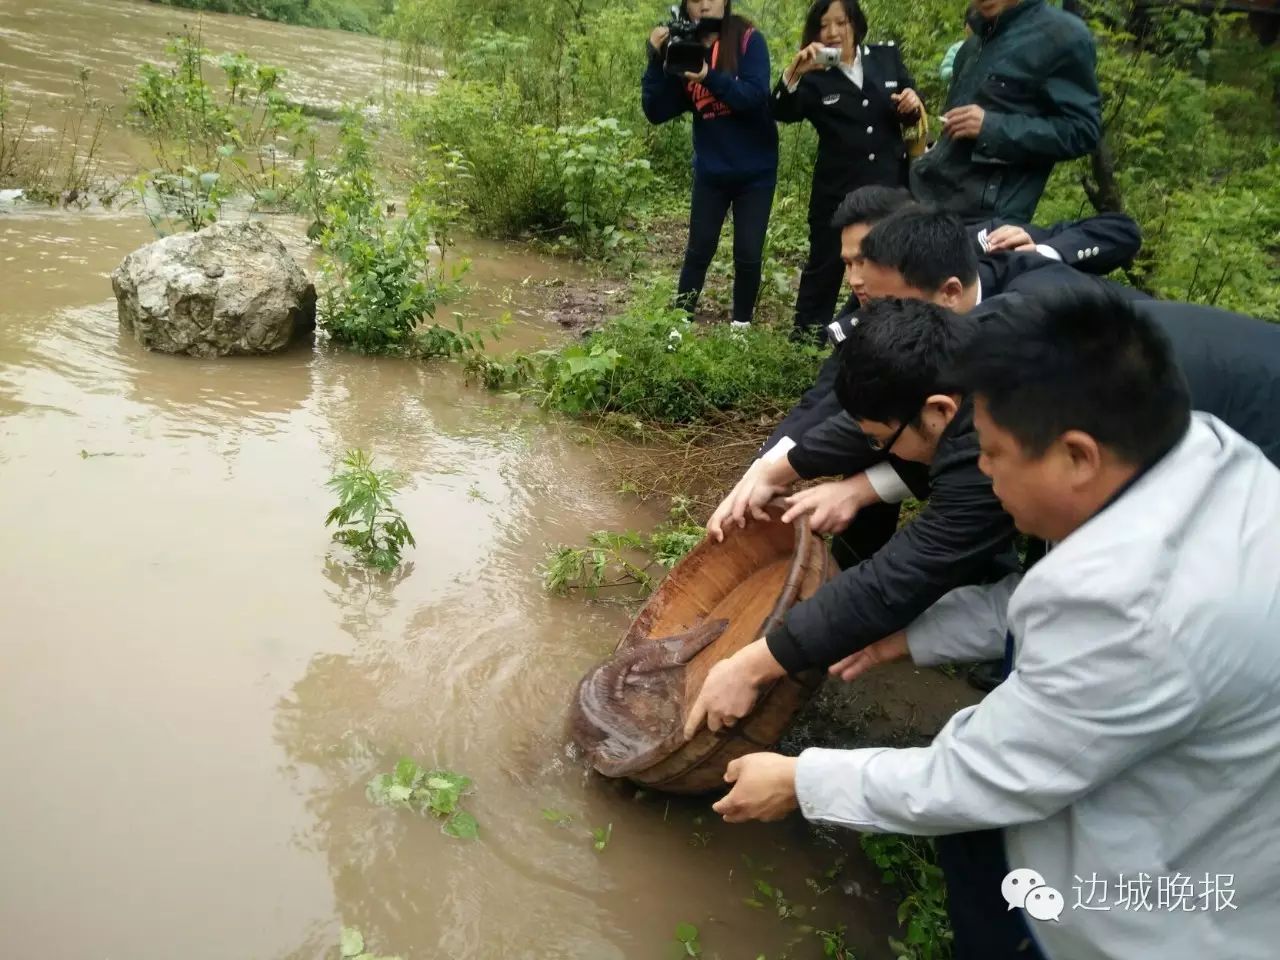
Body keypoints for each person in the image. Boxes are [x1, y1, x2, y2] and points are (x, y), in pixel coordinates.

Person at [703, 290, 1280, 960]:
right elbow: (1033, 601)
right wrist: (914, 637)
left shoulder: (1128, 612)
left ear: (1077, 456)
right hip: (1194, 765)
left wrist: (802, 780)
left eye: (996, 453)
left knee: (1012, 880)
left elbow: (980, 779)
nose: (978, 470)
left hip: (1159, 907)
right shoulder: (1202, 457)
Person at [769, 0, 922, 337]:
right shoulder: (814, 74)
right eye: (824, 25)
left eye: (841, 22)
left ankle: (888, 331)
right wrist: (793, 74)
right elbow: (781, 111)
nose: (833, 32)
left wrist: (912, 102)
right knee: (825, 265)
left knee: (891, 263)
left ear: (855, 24)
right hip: (837, 191)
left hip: (889, 189)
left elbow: (911, 106)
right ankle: (806, 341)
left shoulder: (885, 58)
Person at [642, 0, 778, 328]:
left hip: (755, 170)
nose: (704, 4)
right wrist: (655, 58)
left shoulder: (748, 39)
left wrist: (707, 76)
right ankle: (681, 324)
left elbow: (754, 96)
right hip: (711, 170)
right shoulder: (684, 48)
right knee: (699, 250)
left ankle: (741, 328)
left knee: (747, 253)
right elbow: (656, 111)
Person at [911, 0, 1101, 222]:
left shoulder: (1062, 37)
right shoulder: (972, 45)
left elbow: (1083, 131)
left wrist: (991, 128)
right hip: (930, 199)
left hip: (987, 221)